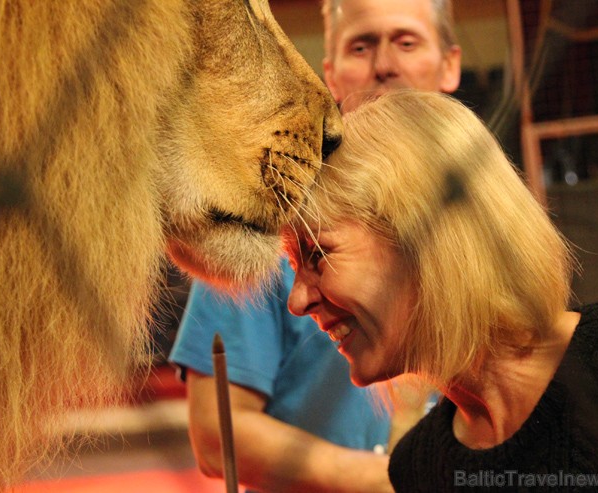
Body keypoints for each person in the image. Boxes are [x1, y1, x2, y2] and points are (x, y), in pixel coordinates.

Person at [285, 90, 598, 492]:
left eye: (317, 254)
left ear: (428, 237)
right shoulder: (418, 468)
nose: (297, 301)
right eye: (293, 267)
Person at [169, 1, 462, 492]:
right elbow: (216, 432)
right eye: (360, 45)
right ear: (328, 72)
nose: (385, 64)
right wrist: (386, 480)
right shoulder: (269, 205)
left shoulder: (480, 210)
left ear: (449, 63)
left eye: (407, 42)